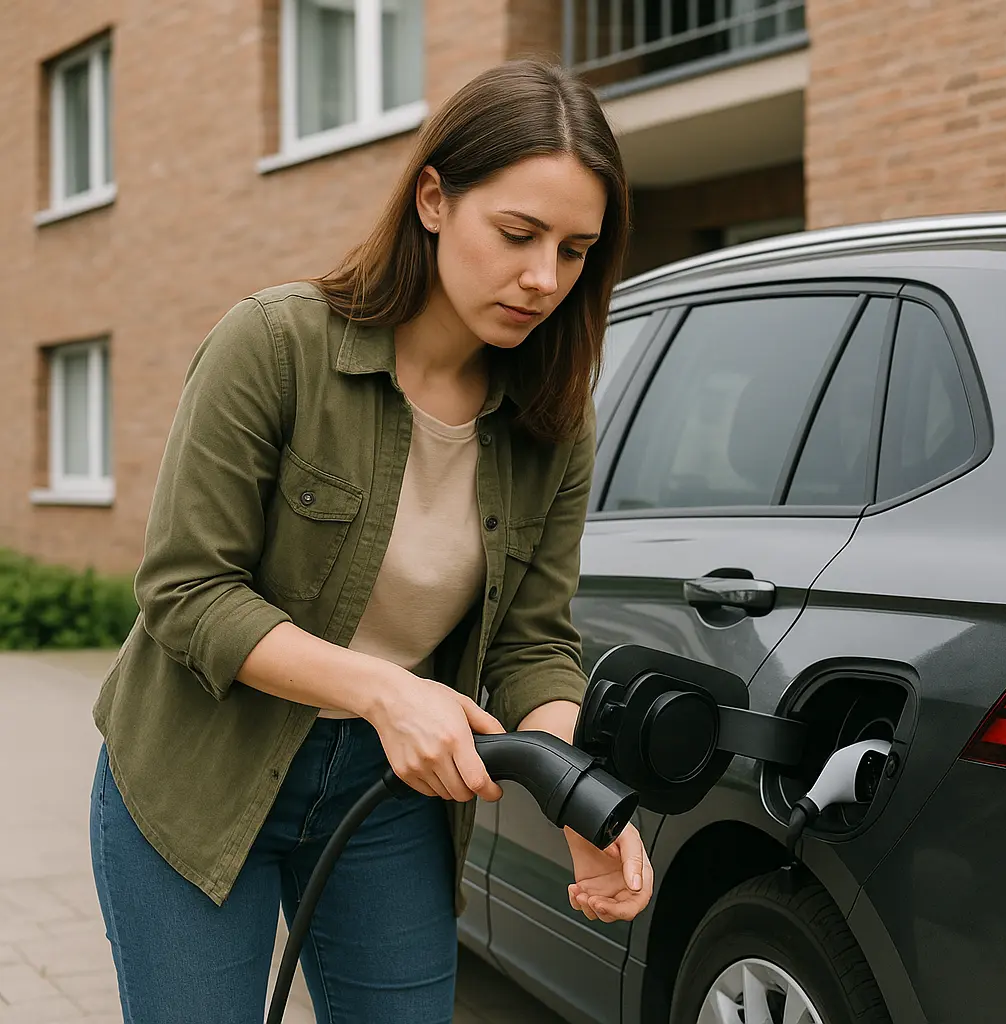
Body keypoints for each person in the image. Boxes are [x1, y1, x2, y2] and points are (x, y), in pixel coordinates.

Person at [88, 58, 654, 1024]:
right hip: (196, 775)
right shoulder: (274, 345)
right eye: (518, 234)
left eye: (574, 251)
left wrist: (572, 793)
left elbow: (532, 642)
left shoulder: (553, 417)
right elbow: (187, 591)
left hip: (387, 796)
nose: (542, 278)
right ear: (433, 198)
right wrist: (390, 690)